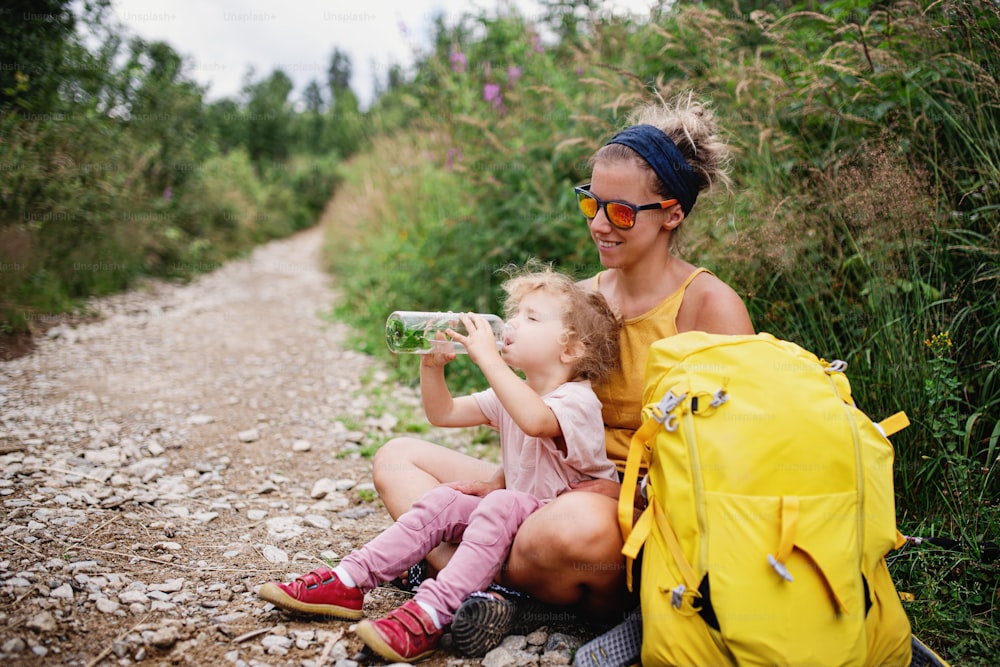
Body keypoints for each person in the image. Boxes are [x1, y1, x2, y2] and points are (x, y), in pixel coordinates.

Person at [371, 91, 756, 657]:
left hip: (634, 508)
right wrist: (503, 480)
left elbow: (740, 449)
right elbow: (537, 415)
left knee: (574, 530)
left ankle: (467, 576)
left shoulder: (708, 306)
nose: (600, 224)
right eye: (590, 204)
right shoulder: (578, 301)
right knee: (396, 459)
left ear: (672, 213)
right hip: (548, 488)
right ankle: (478, 587)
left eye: (621, 212)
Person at [258, 266, 624, 662]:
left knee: (503, 503)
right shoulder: (513, 391)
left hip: (551, 534)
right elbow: (443, 413)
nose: (512, 324)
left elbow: (536, 422)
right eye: (515, 314)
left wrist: (489, 361)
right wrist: (431, 368)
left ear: (570, 349)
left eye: (531, 318)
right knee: (447, 500)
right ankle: (350, 578)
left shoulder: (577, 401)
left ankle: (433, 612)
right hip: (518, 522)